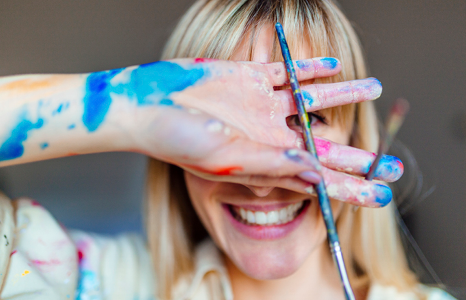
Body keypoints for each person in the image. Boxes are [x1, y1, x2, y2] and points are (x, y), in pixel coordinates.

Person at [0, 0, 455, 299]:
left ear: (358, 145)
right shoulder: (99, 283)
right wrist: (121, 104)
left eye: (305, 120)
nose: (260, 184)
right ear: (171, 155)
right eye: (222, 127)